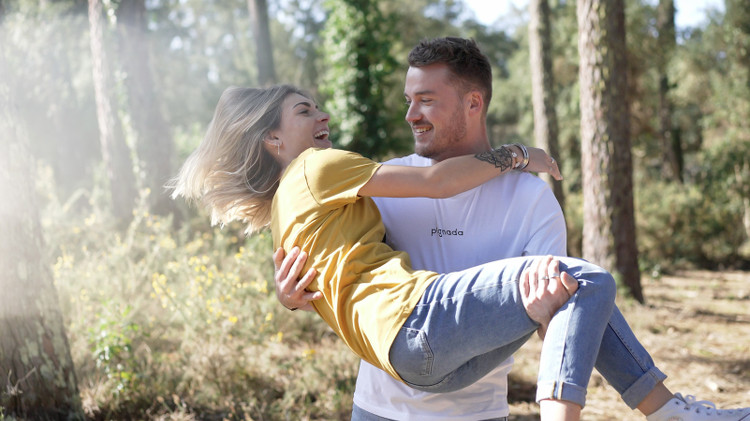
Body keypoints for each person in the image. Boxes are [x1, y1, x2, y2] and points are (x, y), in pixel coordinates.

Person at [170, 82, 750, 420]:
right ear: (274, 140)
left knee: (570, 290)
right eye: (303, 112)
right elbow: (437, 182)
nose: (322, 117)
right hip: (417, 328)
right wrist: (521, 154)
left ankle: (672, 412)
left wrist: (291, 297)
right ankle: (669, 412)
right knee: (586, 281)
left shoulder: (284, 214)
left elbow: (324, 282)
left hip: (426, 369)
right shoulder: (315, 168)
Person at [274, 36, 569, 421]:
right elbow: (341, 267)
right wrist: (291, 294)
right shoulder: (385, 183)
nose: (411, 115)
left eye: (426, 100)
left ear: (474, 103)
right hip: (376, 408)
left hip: (477, 412)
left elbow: (557, 321)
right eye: (408, 100)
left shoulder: (531, 200)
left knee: (586, 283)